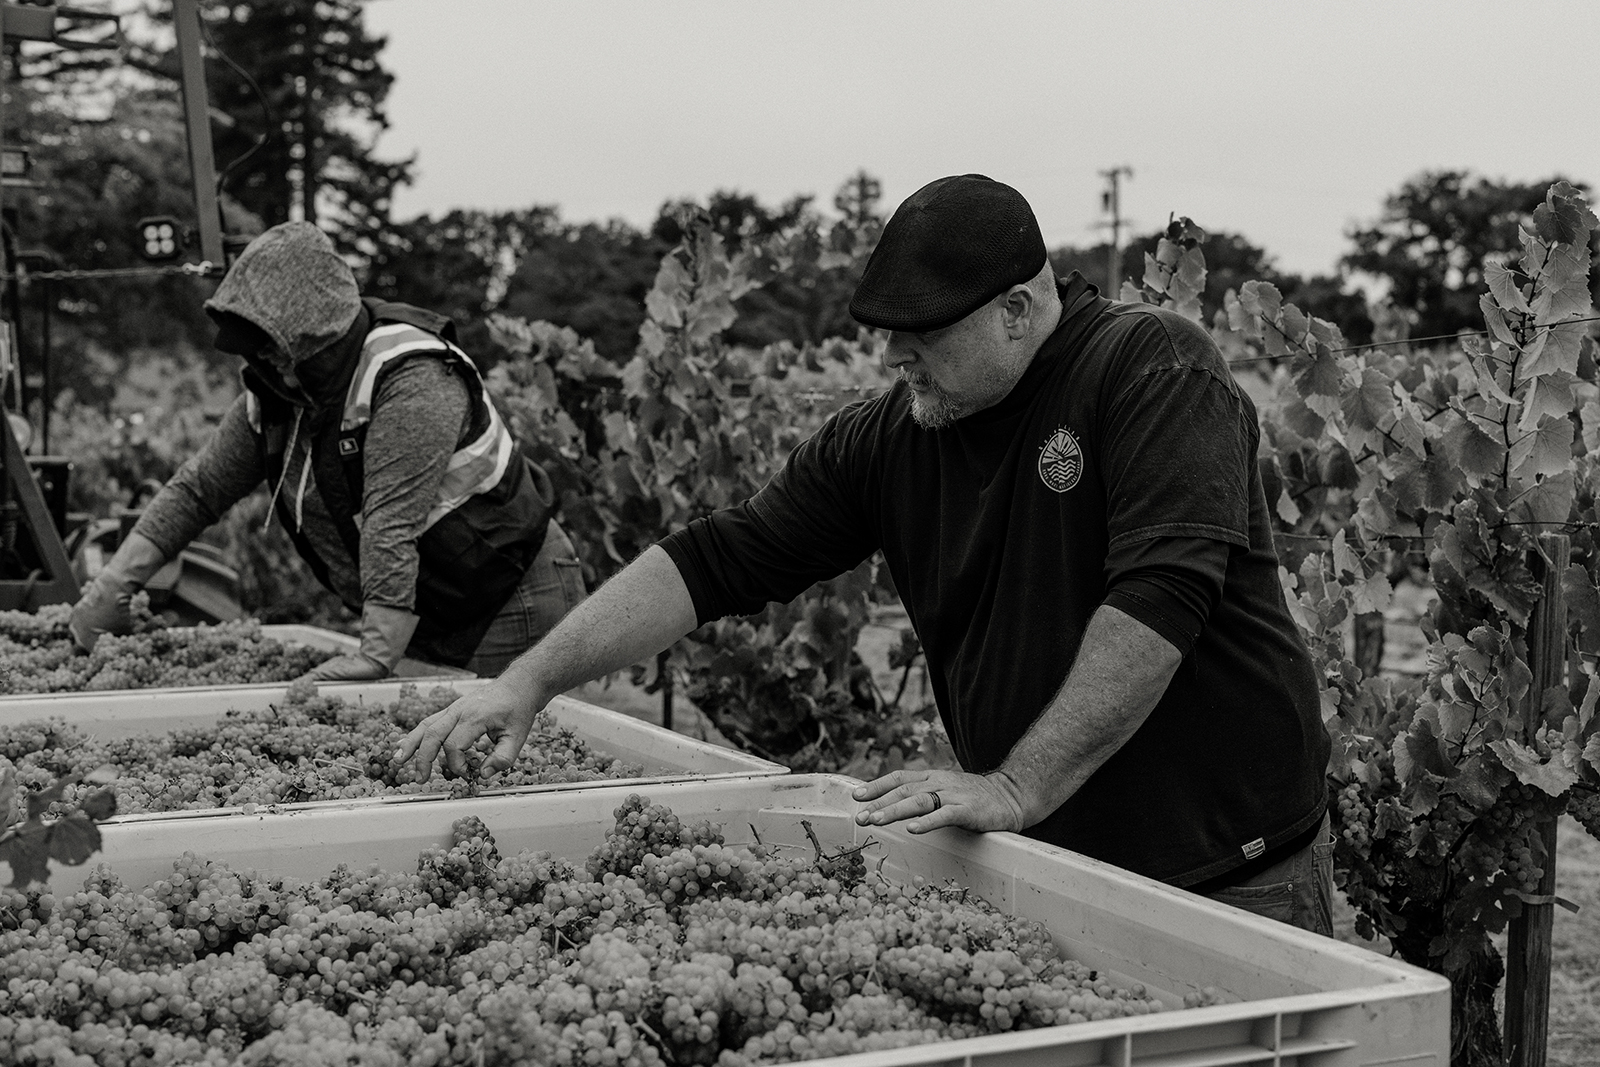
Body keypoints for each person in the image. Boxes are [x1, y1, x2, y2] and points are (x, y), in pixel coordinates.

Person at [394, 175, 1334, 934]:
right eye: (887, 337)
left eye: (922, 337)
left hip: (1227, 868)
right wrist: (530, 682)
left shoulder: (1152, 367)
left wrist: (1017, 784)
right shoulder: (895, 436)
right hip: (1053, 854)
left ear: (1016, 310)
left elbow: (1162, 596)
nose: (894, 359)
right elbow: (716, 557)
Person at [68, 221, 586, 680]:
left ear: (313, 334)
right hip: (426, 607)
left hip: (509, 597)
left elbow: (391, 520)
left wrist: (377, 650)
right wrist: (115, 583)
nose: (263, 359)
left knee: (493, 744)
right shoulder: (279, 395)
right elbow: (198, 491)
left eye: (270, 343)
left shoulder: (410, 375)